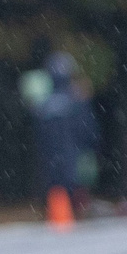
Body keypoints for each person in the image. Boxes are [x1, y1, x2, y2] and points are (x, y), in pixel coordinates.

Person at [28, 52, 99, 209]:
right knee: (74, 191)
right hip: (73, 154)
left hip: (49, 156)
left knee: (55, 191)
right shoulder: (77, 99)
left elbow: (37, 133)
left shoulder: (42, 103)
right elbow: (88, 129)